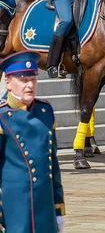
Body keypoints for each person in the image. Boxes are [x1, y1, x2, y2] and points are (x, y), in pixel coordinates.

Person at [0, 51, 65, 233]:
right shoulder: (2, 116)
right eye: (23, 80)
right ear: (8, 82)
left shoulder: (45, 111)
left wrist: (58, 209)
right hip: (14, 207)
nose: (30, 85)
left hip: (44, 208)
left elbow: (53, 165)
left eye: (33, 80)